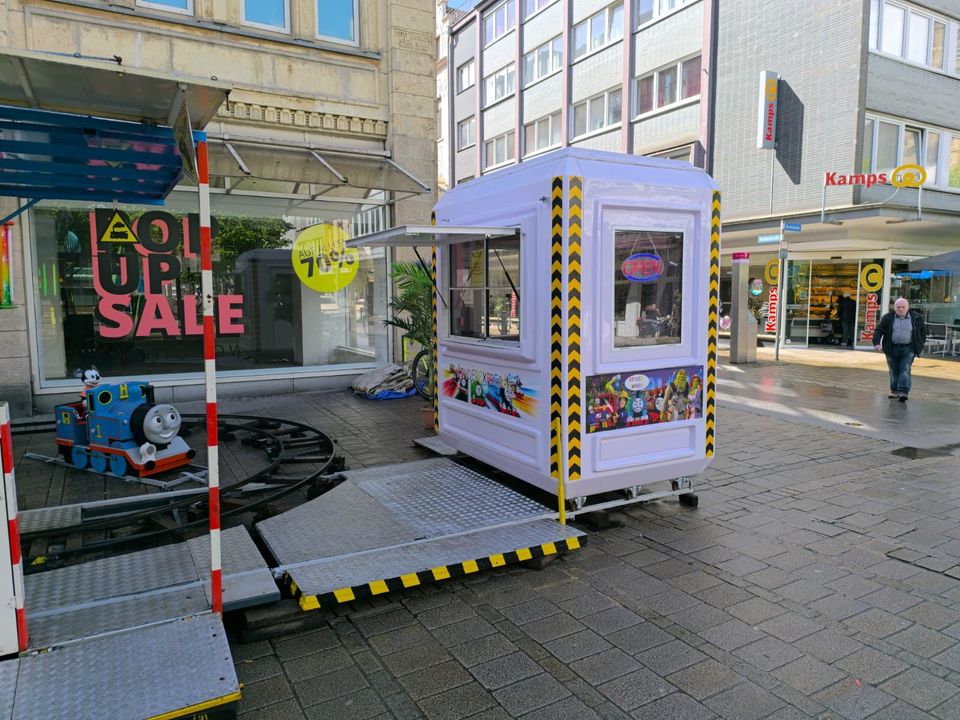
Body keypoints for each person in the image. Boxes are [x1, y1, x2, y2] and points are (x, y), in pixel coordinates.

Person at [872, 298, 926, 402]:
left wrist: (920, 344)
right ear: (894, 307)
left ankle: (903, 392)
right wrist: (877, 343)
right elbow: (878, 330)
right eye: (898, 307)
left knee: (905, 369)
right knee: (893, 370)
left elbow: (923, 332)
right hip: (892, 348)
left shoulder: (916, 317)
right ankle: (894, 391)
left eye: (903, 307)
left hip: (909, 347)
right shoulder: (887, 318)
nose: (901, 309)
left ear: (907, 307)